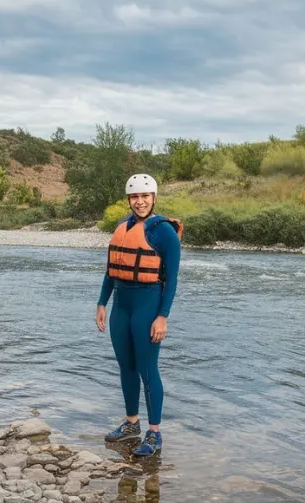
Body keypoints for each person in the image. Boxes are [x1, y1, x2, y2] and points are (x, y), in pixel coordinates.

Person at [95, 173, 182, 457]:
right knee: (126, 367)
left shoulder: (165, 232)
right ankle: (132, 423)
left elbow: (172, 280)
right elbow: (111, 270)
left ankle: (155, 433)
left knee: (147, 370)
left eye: (145, 196)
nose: (140, 201)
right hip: (121, 306)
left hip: (147, 307)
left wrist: (162, 317)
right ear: (129, 200)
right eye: (135, 197)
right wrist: (101, 304)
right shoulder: (121, 226)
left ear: (154, 198)